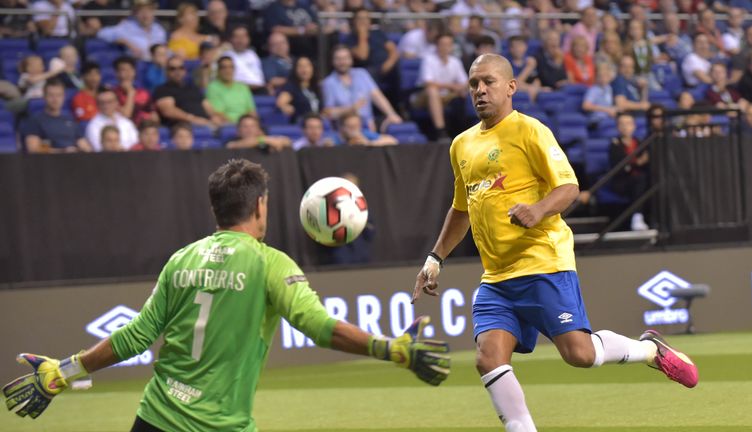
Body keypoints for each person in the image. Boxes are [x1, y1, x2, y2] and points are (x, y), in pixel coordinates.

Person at [3, 158, 450, 430]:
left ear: (216, 209)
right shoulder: (269, 263)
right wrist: (389, 348)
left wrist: (66, 369)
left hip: (155, 419)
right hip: (220, 426)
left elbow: (135, 337)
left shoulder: (181, 259)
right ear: (260, 206)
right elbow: (318, 327)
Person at [410, 53, 699, 432]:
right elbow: (460, 210)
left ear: (511, 87)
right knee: (487, 358)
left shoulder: (530, 131)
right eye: (473, 84)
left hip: (542, 262)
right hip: (496, 277)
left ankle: (649, 349)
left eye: (488, 82)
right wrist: (435, 259)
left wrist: (538, 209)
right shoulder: (461, 145)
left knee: (579, 354)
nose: (480, 90)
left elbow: (570, 187)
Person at [322, 45, 402, 132]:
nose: (342, 62)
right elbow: (328, 113)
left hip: (368, 126)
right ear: (333, 61)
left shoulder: (362, 74)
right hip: (345, 129)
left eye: (345, 58)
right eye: (338, 59)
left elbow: (377, 95)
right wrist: (351, 109)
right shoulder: (328, 83)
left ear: (351, 59)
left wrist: (391, 114)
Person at [412, 33, 468, 142]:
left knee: (465, 92)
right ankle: (440, 131)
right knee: (433, 91)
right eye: (443, 44)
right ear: (437, 46)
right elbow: (428, 83)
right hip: (423, 96)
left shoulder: (455, 61)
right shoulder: (428, 59)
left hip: (446, 96)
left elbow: (465, 82)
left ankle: (465, 130)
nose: (445, 47)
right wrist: (451, 86)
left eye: (448, 44)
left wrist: (460, 88)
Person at [154, 56, 228, 128]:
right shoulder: (163, 90)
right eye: (172, 69)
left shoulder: (193, 88)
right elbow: (168, 111)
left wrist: (215, 116)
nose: (177, 71)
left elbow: (207, 106)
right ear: (166, 72)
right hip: (182, 127)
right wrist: (193, 119)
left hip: (205, 124)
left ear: (185, 70)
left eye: (181, 68)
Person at [25, 79, 91, 153]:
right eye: (51, 95)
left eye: (59, 95)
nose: (55, 99)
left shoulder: (71, 120)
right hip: (48, 162)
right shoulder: (35, 120)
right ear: (44, 97)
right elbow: (33, 149)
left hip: (73, 160)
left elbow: (84, 145)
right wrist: (62, 151)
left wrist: (82, 149)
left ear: (64, 97)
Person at [609, 113, 650, 231]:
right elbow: (619, 166)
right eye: (622, 124)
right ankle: (637, 217)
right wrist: (637, 163)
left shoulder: (640, 142)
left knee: (644, 180)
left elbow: (646, 161)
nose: (625, 127)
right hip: (622, 181)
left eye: (628, 123)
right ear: (617, 127)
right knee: (640, 180)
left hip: (640, 180)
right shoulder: (614, 144)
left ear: (634, 126)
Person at [97, 0, 167, 61]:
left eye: (149, 11)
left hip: (156, 65)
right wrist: (125, 42)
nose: (145, 15)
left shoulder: (158, 29)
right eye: (142, 12)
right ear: (135, 14)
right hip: (137, 65)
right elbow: (102, 33)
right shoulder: (127, 27)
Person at [206, 56, 258, 124]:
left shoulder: (243, 87)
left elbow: (251, 111)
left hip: (246, 124)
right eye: (224, 67)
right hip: (228, 125)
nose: (228, 70)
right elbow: (218, 113)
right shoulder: (213, 87)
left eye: (231, 67)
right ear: (218, 70)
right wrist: (238, 126)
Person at [276, 56, 324, 123]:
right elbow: (281, 103)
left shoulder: (316, 87)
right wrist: (286, 107)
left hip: (318, 124)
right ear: (295, 69)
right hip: (301, 124)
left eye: (307, 66)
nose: (304, 69)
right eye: (300, 66)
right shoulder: (291, 87)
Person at [113, 56, 159, 126]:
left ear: (134, 72)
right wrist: (130, 93)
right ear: (117, 73)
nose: (127, 73)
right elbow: (126, 116)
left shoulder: (144, 93)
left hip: (144, 131)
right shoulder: (112, 94)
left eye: (130, 70)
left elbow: (155, 118)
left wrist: (149, 117)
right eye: (123, 70)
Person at [222, 26, 266, 94]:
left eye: (243, 37)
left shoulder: (253, 55)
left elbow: (259, 79)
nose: (240, 40)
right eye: (237, 37)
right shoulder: (226, 56)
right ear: (231, 39)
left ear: (248, 39)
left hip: (258, 90)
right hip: (236, 91)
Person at [225, 114, 292, 151]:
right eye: (245, 126)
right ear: (238, 130)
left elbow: (287, 141)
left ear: (259, 130)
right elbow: (231, 145)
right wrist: (264, 139)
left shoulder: (264, 143)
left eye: (253, 126)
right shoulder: (233, 141)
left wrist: (278, 142)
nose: (249, 130)